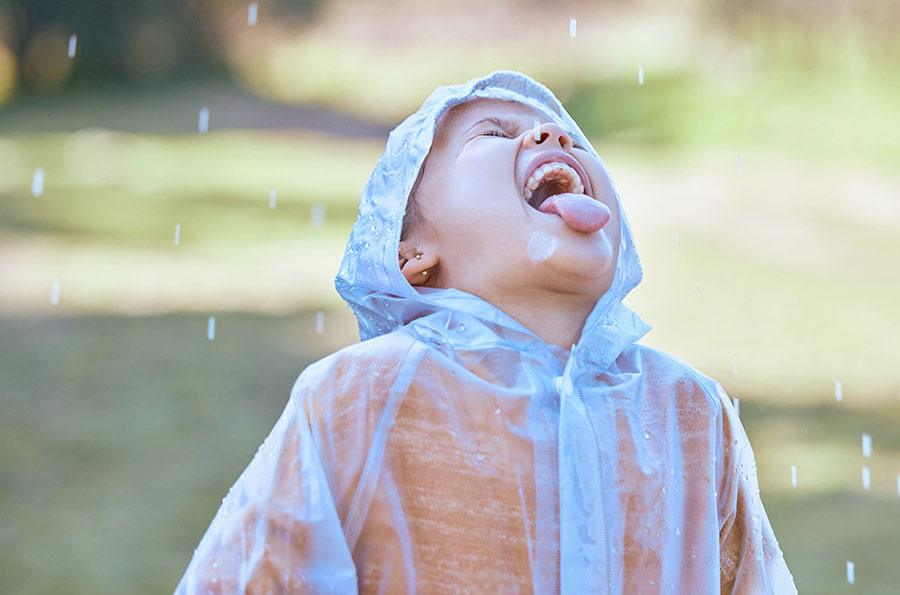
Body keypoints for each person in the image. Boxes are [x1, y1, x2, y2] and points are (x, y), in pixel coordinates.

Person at [175, 71, 797, 594]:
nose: (552, 135)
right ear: (411, 253)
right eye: (493, 134)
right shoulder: (359, 398)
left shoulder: (687, 412)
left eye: (574, 139)